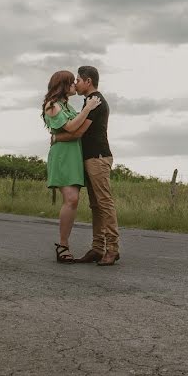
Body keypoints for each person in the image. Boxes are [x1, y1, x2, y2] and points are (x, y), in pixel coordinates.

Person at [53, 65, 120, 266]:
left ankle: (113, 249)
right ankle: (98, 248)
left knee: (104, 203)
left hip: (98, 158)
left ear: (88, 81)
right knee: (95, 205)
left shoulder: (95, 102)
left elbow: (78, 132)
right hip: (90, 158)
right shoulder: (88, 102)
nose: (76, 84)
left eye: (78, 80)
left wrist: (57, 137)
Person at [42, 70, 101, 263]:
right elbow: (71, 128)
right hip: (62, 157)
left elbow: (79, 130)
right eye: (72, 82)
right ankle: (63, 244)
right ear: (63, 85)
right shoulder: (52, 105)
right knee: (71, 198)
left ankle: (64, 243)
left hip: (73, 155)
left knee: (73, 201)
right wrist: (88, 108)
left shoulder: (66, 106)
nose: (75, 85)